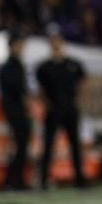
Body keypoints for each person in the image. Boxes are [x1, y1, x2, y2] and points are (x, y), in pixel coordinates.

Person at [36, 26, 87, 189]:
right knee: (48, 145)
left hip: (70, 108)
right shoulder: (44, 67)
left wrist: (75, 100)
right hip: (53, 109)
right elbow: (40, 89)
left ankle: (79, 179)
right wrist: (48, 104)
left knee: (75, 145)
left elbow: (82, 84)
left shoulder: (73, 64)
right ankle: (43, 179)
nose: (56, 44)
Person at [0, 32, 32, 191]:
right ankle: (13, 181)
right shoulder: (10, 67)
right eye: (19, 44)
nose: (21, 48)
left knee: (21, 147)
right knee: (19, 146)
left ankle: (15, 180)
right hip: (15, 112)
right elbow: (17, 91)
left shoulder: (17, 65)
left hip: (18, 111)